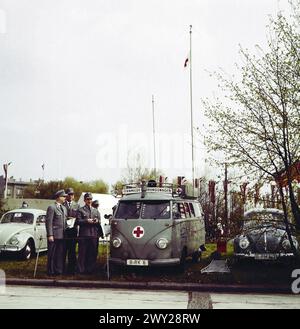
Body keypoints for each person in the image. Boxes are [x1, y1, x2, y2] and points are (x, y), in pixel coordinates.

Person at [76, 193, 102, 274]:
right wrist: (86, 221)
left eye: (90, 199)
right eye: (87, 199)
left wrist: (97, 221)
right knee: (82, 253)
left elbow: (99, 221)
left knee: (92, 253)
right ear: (84, 200)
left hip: (94, 234)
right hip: (84, 235)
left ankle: (90, 269)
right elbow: (78, 221)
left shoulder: (95, 210)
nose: (89, 201)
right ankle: (81, 270)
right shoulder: (81, 210)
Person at [45, 190, 68, 276]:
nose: (65, 198)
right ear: (58, 197)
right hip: (54, 235)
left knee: (59, 254)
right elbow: (49, 222)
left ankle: (58, 270)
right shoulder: (52, 207)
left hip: (62, 235)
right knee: (52, 254)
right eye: (63, 196)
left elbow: (64, 221)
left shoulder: (64, 208)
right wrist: (50, 234)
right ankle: (50, 271)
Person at [63, 187, 79, 274]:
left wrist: (74, 219)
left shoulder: (77, 205)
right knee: (63, 250)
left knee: (72, 251)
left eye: (72, 194)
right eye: (69, 194)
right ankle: (62, 268)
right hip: (64, 231)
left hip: (73, 231)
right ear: (66, 196)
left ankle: (72, 269)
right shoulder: (62, 205)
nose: (70, 196)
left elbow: (79, 217)